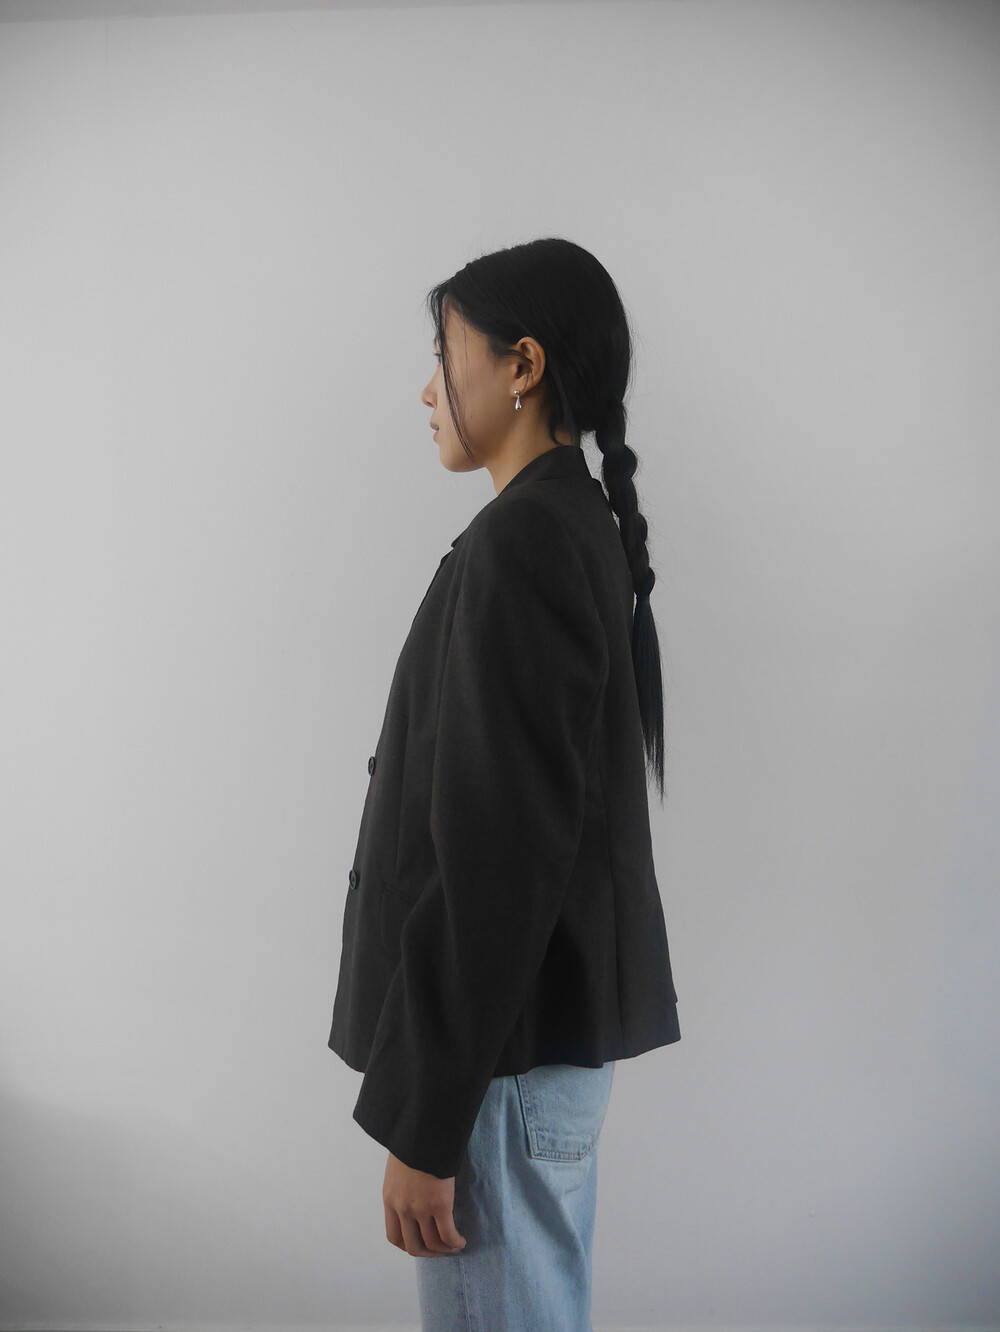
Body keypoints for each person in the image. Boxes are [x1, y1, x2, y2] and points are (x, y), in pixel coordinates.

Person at [327, 237, 681, 1331]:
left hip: (496, 1069)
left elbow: (496, 863)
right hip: (520, 1060)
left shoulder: (523, 543)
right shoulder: (567, 527)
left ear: (522, 365)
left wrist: (426, 1123)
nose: (428, 389)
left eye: (445, 355)